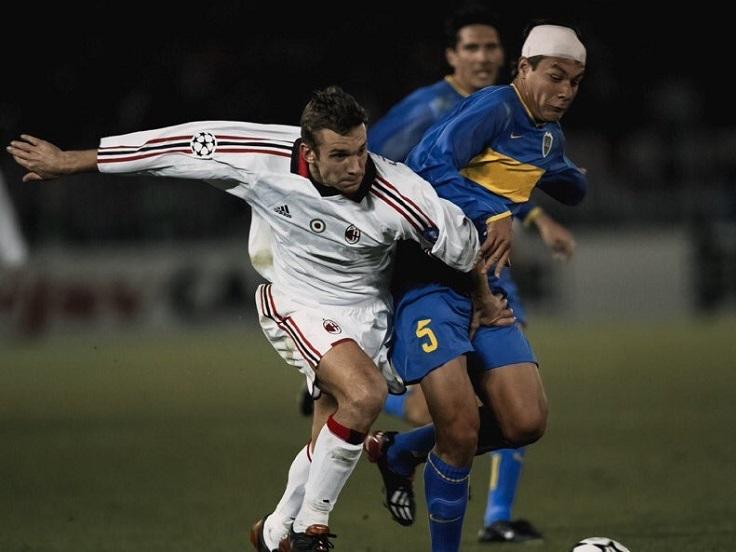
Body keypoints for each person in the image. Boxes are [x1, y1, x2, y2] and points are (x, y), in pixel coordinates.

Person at [6, 86, 495, 551]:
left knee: (332, 436)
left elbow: (463, 246)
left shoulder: (398, 192)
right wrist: (74, 161)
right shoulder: (262, 156)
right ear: (308, 150)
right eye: (340, 156)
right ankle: (309, 533)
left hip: (369, 313)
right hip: (296, 303)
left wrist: (484, 298)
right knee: (364, 395)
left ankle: (275, 531)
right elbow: (179, 146)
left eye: (361, 151)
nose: (355, 166)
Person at [362, 22, 587, 551]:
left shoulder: (548, 132)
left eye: (576, 82)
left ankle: (402, 452)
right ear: (524, 68)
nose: (565, 91)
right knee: (459, 430)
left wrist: (570, 180)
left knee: (526, 421)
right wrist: (495, 212)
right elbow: (426, 165)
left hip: (487, 288)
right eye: (555, 77)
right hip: (427, 282)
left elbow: (555, 175)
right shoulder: (492, 107)